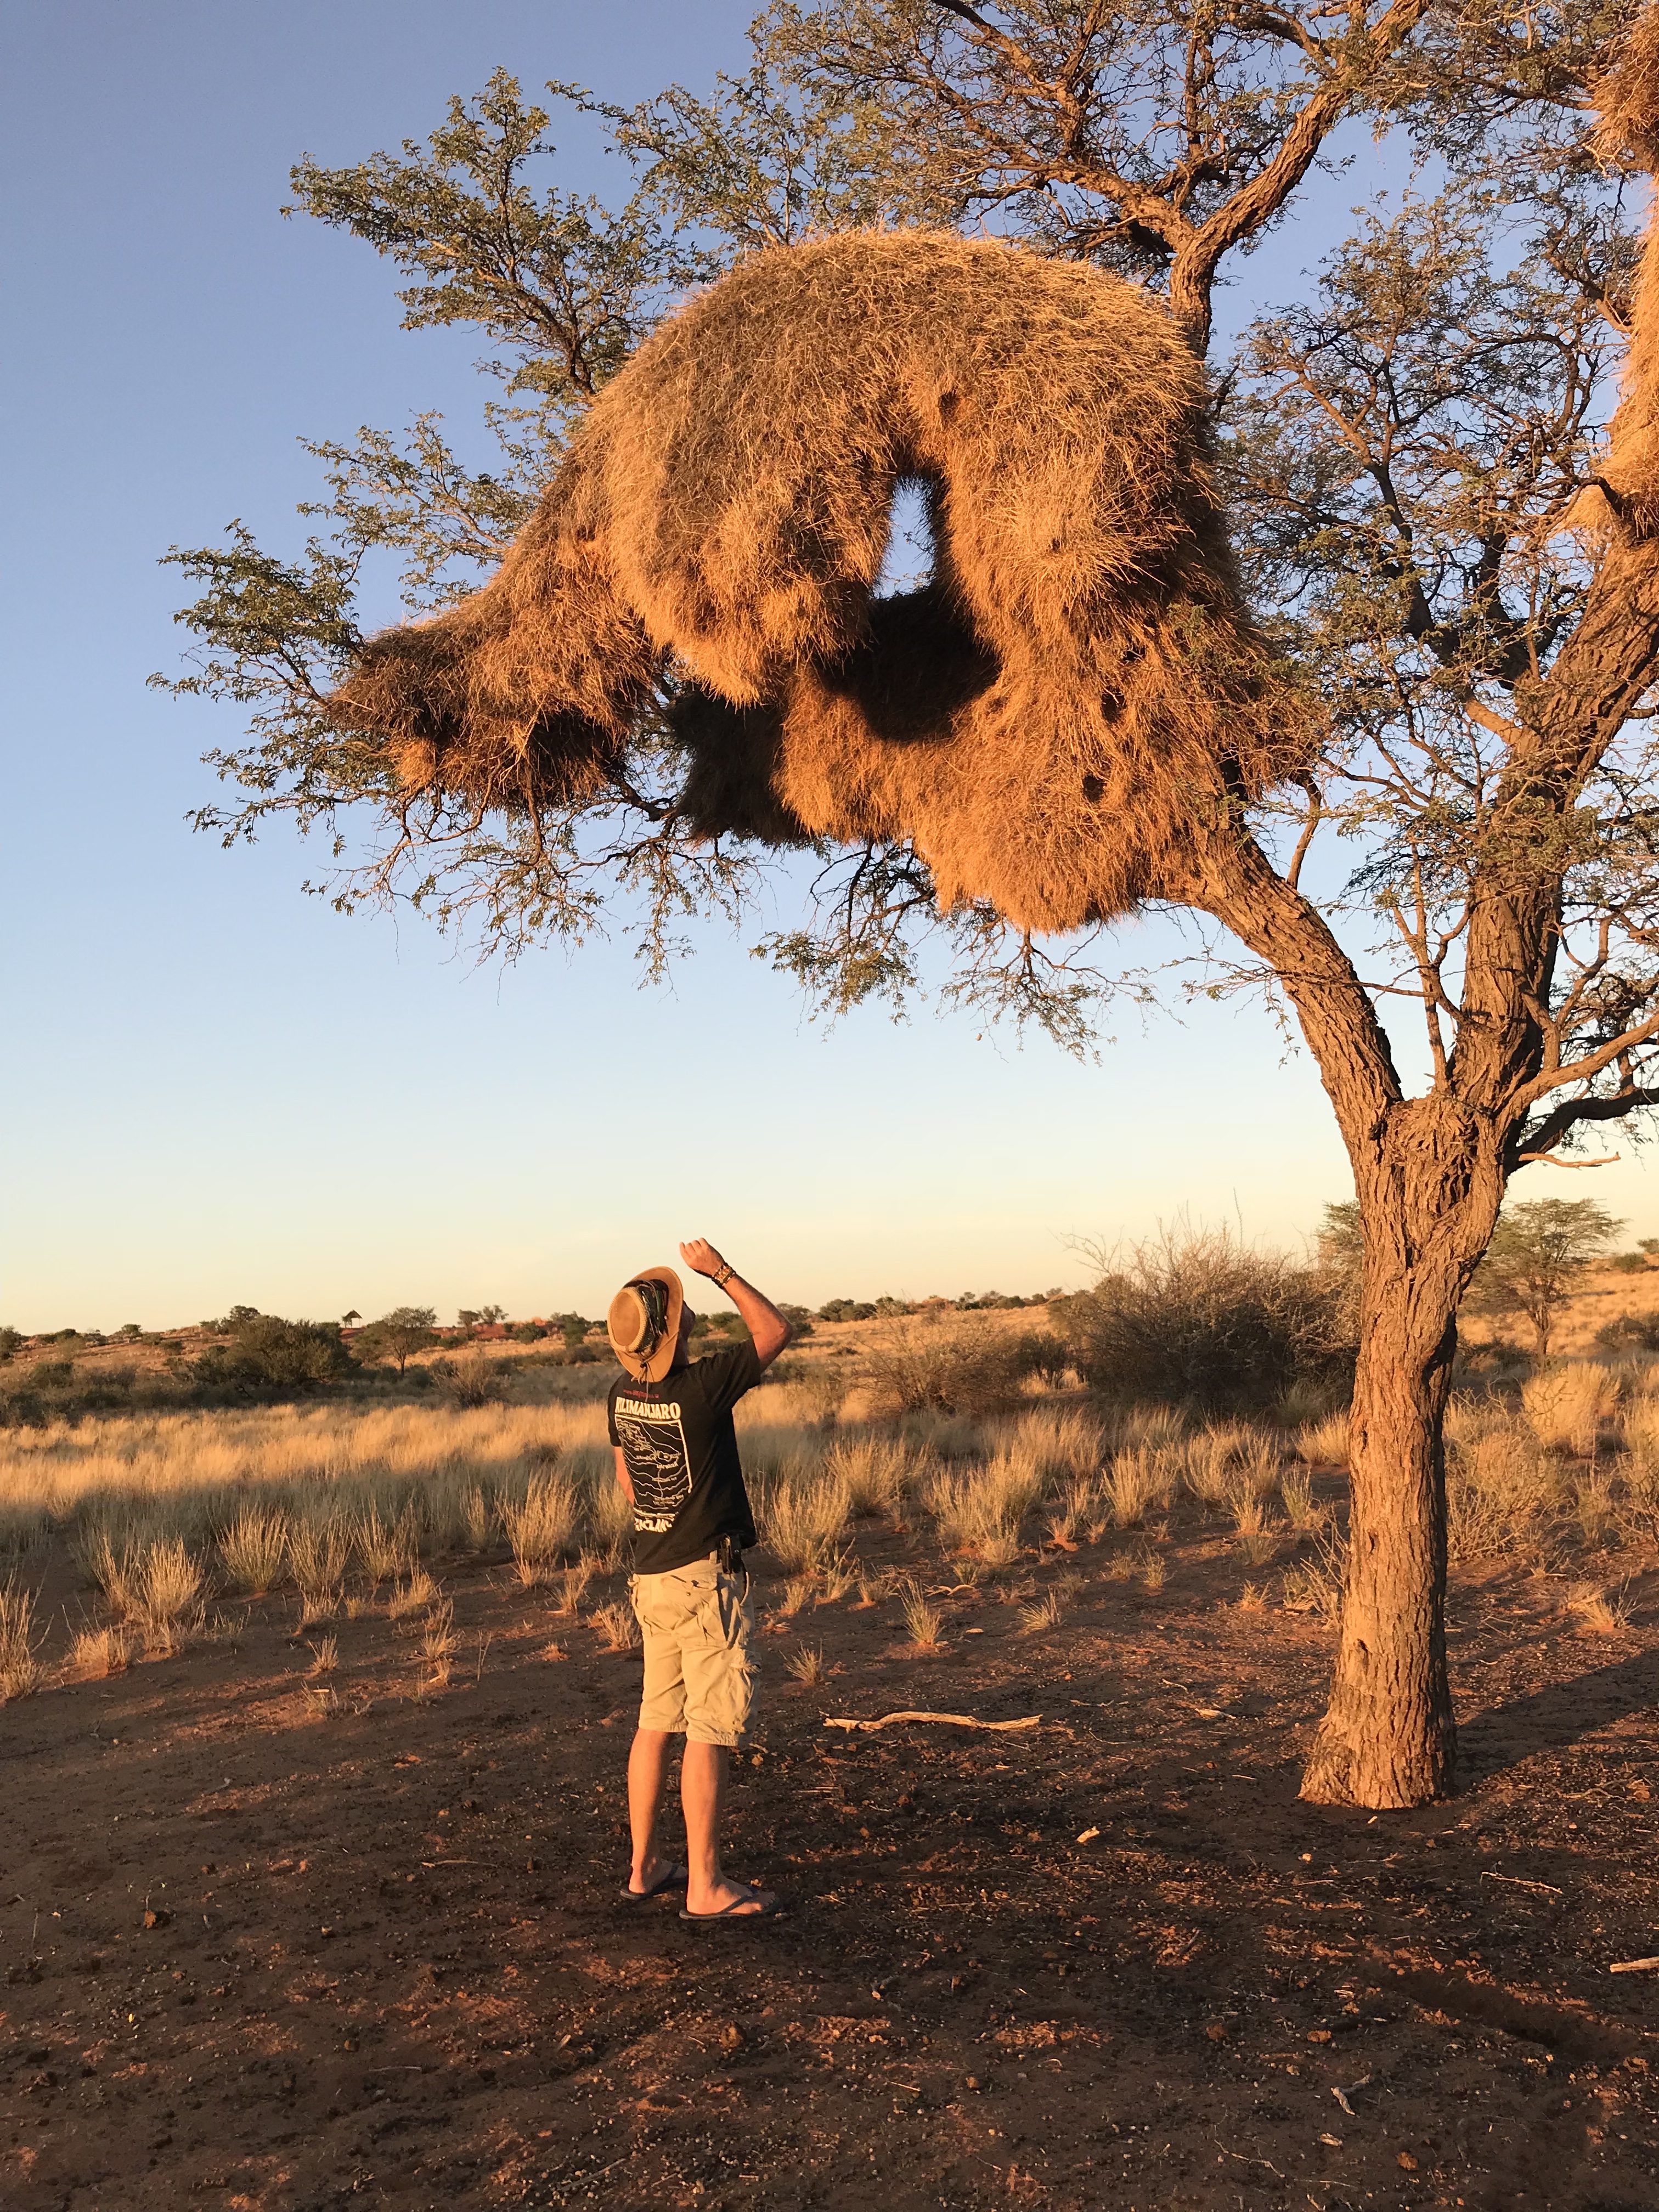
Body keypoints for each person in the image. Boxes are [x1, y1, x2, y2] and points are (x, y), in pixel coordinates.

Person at [606, 1238, 791, 1920]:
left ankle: (644, 1866)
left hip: (651, 1577)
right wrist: (719, 1272)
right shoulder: (704, 1389)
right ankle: (706, 1887)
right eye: (681, 1314)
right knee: (711, 1727)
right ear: (673, 1331)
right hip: (703, 1582)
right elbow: (774, 1332)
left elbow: (629, 1482)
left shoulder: (620, 1394)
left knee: (657, 1721)